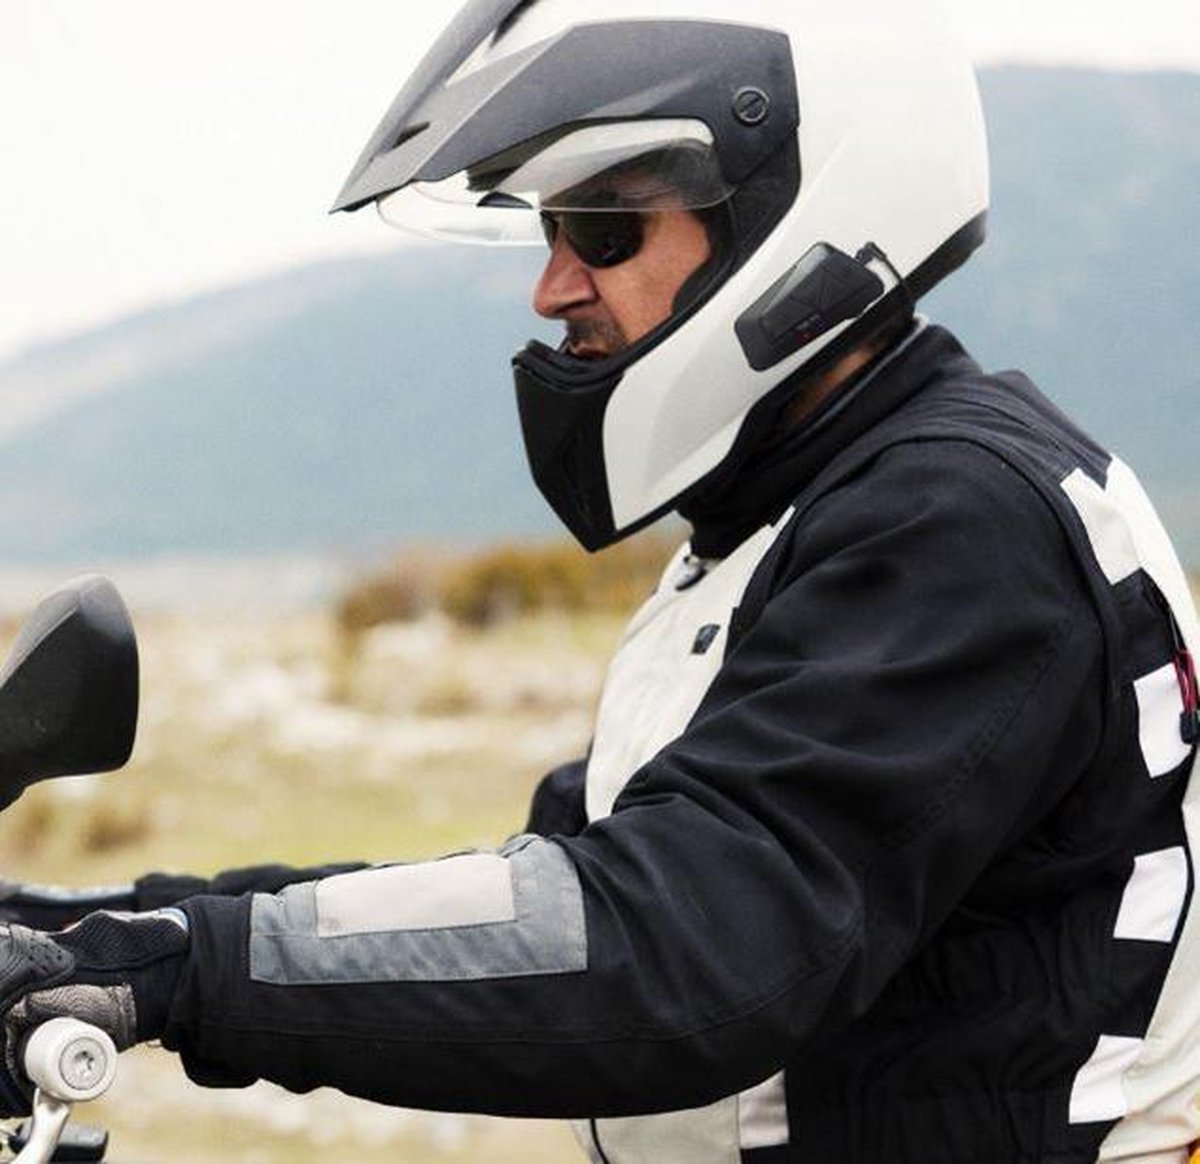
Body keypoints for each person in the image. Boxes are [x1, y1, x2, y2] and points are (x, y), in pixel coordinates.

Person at [1, 1, 1198, 1160]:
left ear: (799, 215)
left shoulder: (961, 519)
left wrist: (186, 968)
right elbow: (541, 903)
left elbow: (685, 942)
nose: (554, 286)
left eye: (605, 225)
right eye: (552, 229)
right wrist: (98, 928)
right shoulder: (788, 520)